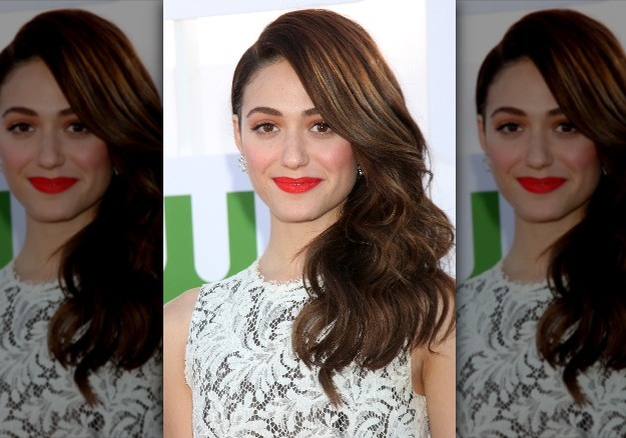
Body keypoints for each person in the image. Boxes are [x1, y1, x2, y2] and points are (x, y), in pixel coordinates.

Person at [165, 8, 455, 438]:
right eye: (267, 126)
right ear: (237, 135)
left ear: (363, 135)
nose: (294, 156)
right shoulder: (182, 328)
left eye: (323, 125)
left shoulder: (429, 315)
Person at [0, 9, 163, 437]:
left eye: (77, 125)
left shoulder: (166, 307)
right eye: (23, 126)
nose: (48, 156)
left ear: (115, 132)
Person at [456, 8, 626, 437]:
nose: (537, 156)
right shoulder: (448, 318)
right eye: (511, 126)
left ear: (606, 134)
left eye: (566, 125)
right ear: (482, 135)